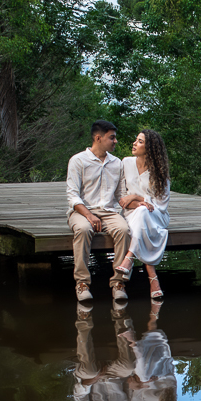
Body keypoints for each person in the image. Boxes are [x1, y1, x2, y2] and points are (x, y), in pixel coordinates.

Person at [66, 119, 131, 302]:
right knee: (83, 229)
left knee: (124, 230)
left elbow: (121, 195)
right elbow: (72, 196)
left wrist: (139, 203)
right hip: (82, 211)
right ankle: (82, 283)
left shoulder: (117, 163)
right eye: (112, 138)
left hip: (108, 212)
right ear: (98, 138)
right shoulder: (78, 160)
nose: (115, 141)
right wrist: (89, 215)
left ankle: (118, 282)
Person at [115, 129, 172, 301]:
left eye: (140, 141)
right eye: (136, 140)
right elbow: (122, 199)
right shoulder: (126, 163)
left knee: (143, 212)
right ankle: (152, 278)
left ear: (150, 148)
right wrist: (137, 202)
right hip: (131, 212)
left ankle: (129, 257)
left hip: (157, 216)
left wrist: (137, 197)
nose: (134, 143)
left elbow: (160, 205)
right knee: (140, 212)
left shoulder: (160, 172)